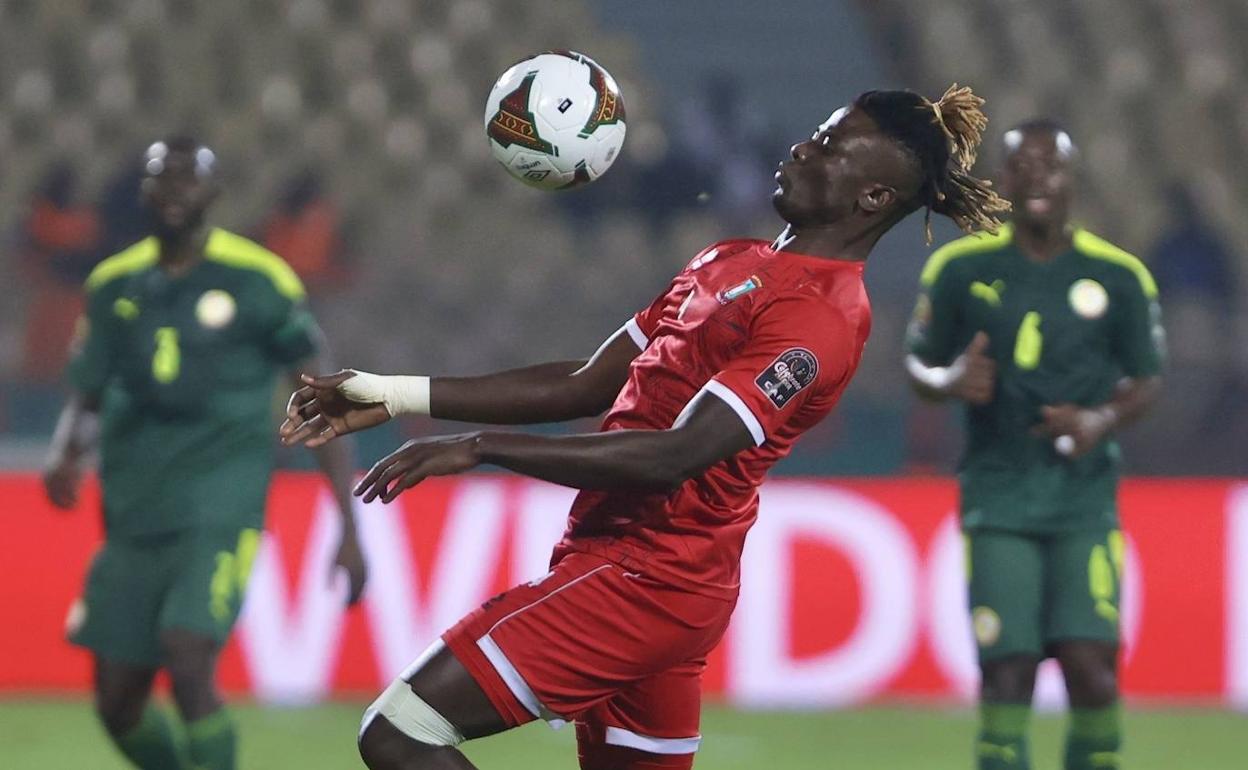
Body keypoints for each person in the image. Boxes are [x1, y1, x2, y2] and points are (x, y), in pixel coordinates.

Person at [281, 85, 1010, 770]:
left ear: (872, 195)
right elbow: (586, 382)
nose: (800, 149)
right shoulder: (731, 260)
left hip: (642, 581)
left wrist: (480, 447)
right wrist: (395, 393)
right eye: (814, 135)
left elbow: (677, 455)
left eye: (827, 146)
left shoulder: (816, 322)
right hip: (656, 581)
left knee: (400, 733)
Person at [42, 137, 368, 770]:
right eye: (164, 181)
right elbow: (84, 394)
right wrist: (63, 454)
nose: (176, 195)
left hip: (220, 508)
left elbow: (323, 393)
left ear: (214, 195)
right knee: (118, 704)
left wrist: (349, 527)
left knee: (188, 651)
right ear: (144, 193)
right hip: (134, 515)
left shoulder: (259, 280)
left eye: (191, 182)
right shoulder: (113, 285)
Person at [904, 120, 1164, 770]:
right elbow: (917, 361)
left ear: (1073, 179)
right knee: (1007, 677)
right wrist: (948, 379)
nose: (1038, 178)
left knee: (1093, 674)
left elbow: (1147, 378)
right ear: (1004, 180)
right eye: (1023, 166)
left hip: (1082, 504)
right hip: (999, 501)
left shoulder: (1119, 276)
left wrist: (1100, 420)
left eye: (1052, 166)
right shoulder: (961, 270)